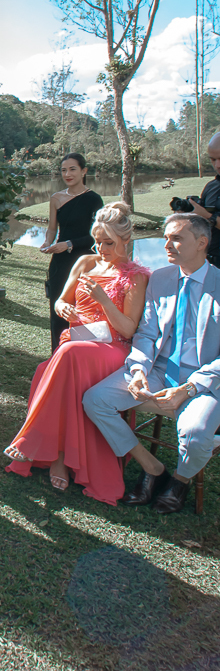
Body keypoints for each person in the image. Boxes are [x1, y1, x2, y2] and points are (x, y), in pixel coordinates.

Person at [4, 203, 150, 505]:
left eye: (108, 242)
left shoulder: (135, 276)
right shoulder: (85, 262)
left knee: (67, 355)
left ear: (126, 240)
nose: (101, 248)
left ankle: (31, 441)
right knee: (53, 364)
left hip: (111, 347)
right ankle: (58, 457)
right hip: (77, 342)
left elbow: (128, 329)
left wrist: (104, 300)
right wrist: (64, 308)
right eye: (97, 241)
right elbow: (61, 301)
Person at [83, 212, 220, 514]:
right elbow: (146, 333)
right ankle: (153, 468)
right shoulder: (160, 278)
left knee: (196, 434)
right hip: (157, 371)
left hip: (206, 383)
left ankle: (180, 481)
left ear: (201, 243)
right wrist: (138, 370)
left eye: (176, 238)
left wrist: (189, 389)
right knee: (95, 400)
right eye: (166, 238)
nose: (166, 245)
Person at [40, 153, 103, 352]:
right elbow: (52, 229)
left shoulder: (94, 199)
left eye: (72, 169)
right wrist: (47, 243)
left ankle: (79, 354)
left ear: (84, 171)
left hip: (85, 261)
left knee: (82, 309)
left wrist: (69, 244)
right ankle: (57, 355)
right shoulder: (56, 198)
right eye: (64, 170)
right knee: (58, 309)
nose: (67, 174)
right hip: (60, 262)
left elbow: (97, 235)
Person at [188, 131, 220, 268]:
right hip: (210, 263)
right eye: (213, 159)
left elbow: (207, 216)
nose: (217, 165)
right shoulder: (212, 187)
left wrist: (208, 216)